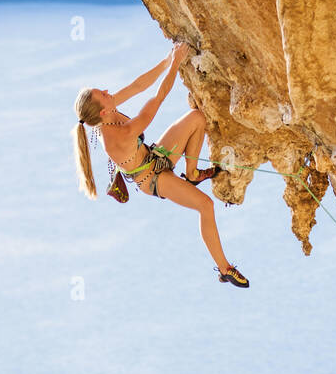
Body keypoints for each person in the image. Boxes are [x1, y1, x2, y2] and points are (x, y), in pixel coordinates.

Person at [73, 42, 249, 287]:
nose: (106, 91)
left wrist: (168, 60)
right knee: (205, 206)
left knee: (197, 118)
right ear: (102, 112)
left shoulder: (109, 109)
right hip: (152, 179)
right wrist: (176, 64)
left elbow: (138, 85)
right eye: (102, 94)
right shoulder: (119, 135)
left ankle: (192, 172)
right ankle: (225, 269)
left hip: (155, 157)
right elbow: (158, 98)